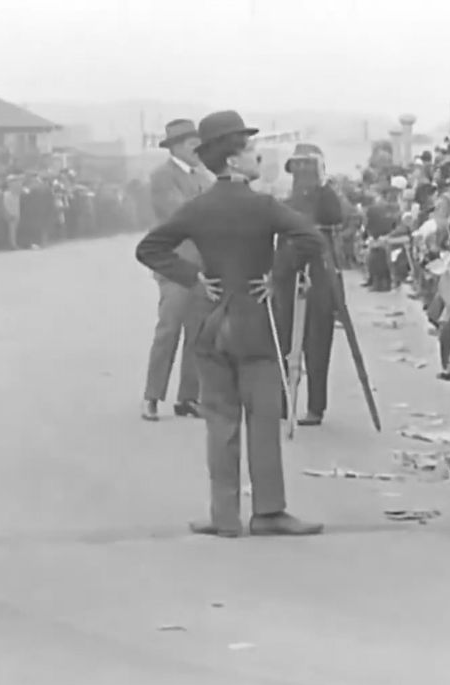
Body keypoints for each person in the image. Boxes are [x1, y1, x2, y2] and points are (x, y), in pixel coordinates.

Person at [135, 110, 326, 538]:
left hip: (210, 322)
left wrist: (193, 278)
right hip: (255, 323)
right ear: (235, 160)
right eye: (252, 151)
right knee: (262, 418)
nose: (259, 158)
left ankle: (224, 516)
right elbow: (310, 237)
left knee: (220, 420)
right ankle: (268, 511)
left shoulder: (198, 208)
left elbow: (150, 248)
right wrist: (277, 274)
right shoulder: (263, 206)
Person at [140, 119, 214, 422]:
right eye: (193, 146)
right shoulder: (162, 177)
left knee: (198, 332)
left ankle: (188, 397)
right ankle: (152, 396)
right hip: (174, 265)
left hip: (203, 266)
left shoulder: (204, 177)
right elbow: (179, 214)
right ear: (176, 147)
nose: (199, 151)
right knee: (168, 330)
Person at [274, 142, 344, 427]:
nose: (302, 171)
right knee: (282, 341)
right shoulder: (286, 202)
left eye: (307, 165)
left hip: (319, 275)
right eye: (297, 166)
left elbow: (336, 216)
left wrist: (323, 183)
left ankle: (316, 407)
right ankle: (281, 402)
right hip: (286, 275)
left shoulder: (327, 197)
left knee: (317, 344)